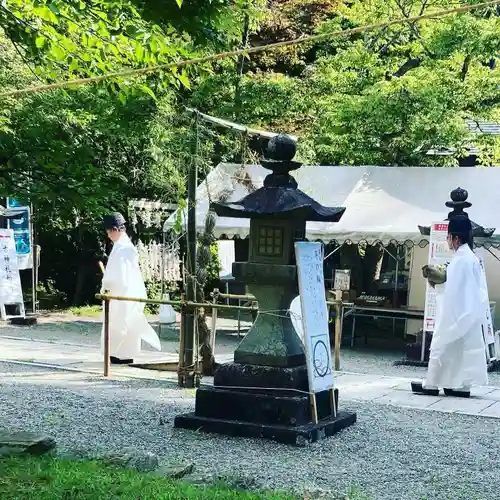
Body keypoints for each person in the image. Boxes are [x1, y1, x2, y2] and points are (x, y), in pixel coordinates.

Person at [412, 214, 488, 398]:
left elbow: (452, 291)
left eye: (448, 237)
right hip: (469, 312)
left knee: (441, 346)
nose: (447, 241)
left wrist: (437, 284)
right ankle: (458, 385)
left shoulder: (461, 260)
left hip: (456, 312)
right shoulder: (471, 258)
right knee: (462, 350)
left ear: (455, 238)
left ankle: (432, 384)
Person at [100, 213, 161, 364]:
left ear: (115, 229)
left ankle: (119, 354)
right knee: (123, 323)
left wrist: (106, 283)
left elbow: (120, 275)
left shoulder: (123, 249)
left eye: (109, 232)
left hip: (122, 292)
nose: (108, 236)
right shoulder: (123, 246)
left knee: (121, 323)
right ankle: (120, 353)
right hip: (125, 291)